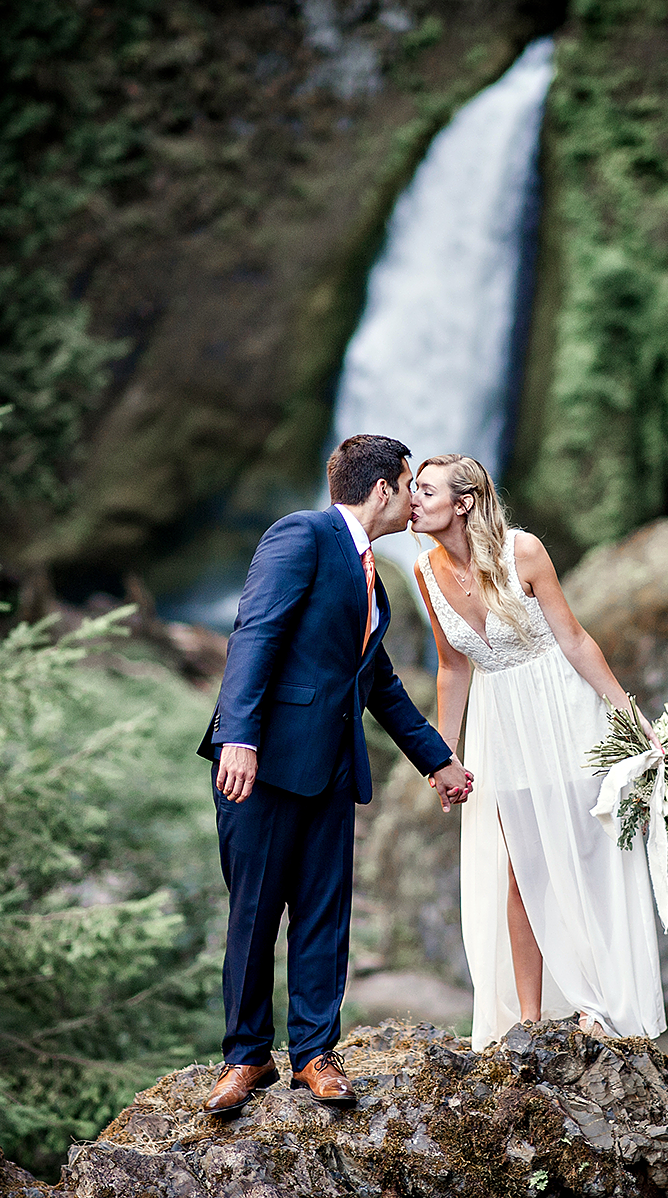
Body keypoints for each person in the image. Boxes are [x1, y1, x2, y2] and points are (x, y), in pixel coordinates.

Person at [197, 434, 475, 1116]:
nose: (416, 500)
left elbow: (376, 681)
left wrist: (437, 760)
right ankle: (246, 1057)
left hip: (331, 769)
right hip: (259, 766)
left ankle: (316, 1054)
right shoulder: (303, 535)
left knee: (324, 915)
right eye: (411, 486)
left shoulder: (370, 570)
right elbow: (255, 632)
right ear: (382, 489)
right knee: (255, 914)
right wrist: (238, 736)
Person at [410, 453, 666, 1049]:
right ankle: (528, 1020)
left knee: (582, 855)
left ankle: (597, 1003)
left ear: (464, 501)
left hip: (564, 712)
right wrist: (442, 757)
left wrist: (629, 715)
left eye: (425, 491)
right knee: (520, 870)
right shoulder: (425, 571)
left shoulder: (523, 551)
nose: (412, 500)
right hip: (502, 727)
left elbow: (574, 638)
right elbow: (452, 669)